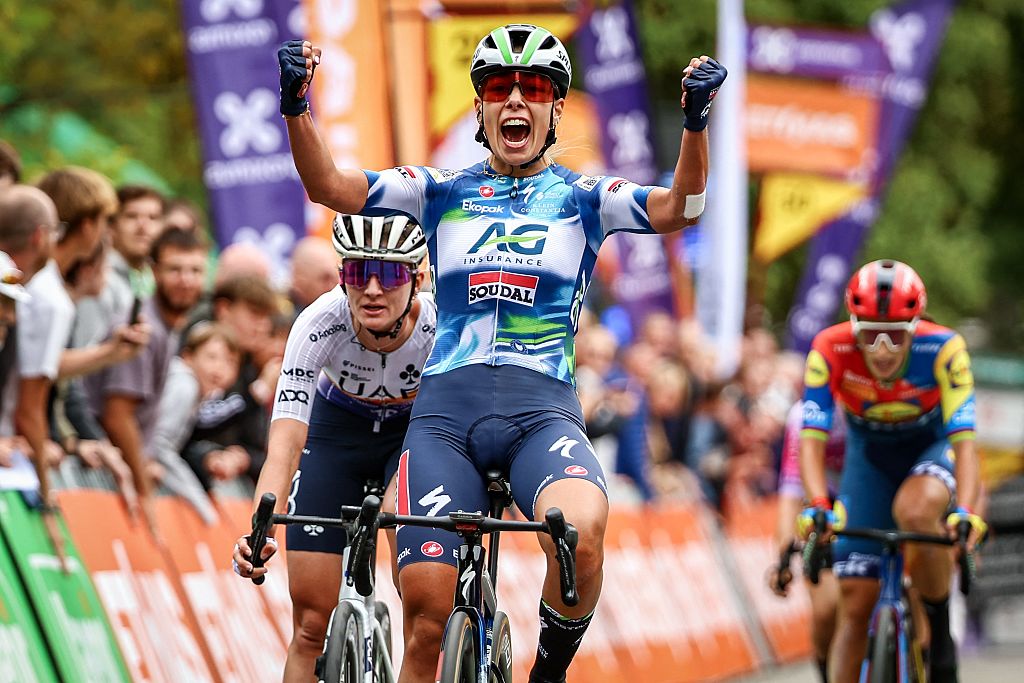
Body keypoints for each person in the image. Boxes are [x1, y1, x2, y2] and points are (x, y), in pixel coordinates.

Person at [271, 24, 726, 683]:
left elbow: (682, 208)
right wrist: (296, 107)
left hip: (540, 414)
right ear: (481, 108)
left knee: (581, 532)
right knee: (426, 615)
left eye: (533, 87)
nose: (516, 99)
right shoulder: (439, 190)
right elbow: (329, 187)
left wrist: (695, 125)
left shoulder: (583, 199)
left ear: (555, 107)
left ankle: (548, 672)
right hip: (444, 422)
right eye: (499, 88)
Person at [232, 214, 436, 683]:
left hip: (412, 433)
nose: (371, 290)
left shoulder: (439, 328)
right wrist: (260, 529)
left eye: (389, 274)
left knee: (422, 606)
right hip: (335, 433)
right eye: (357, 273)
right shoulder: (319, 322)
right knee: (310, 626)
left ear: (418, 278)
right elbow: (285, 443)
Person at [798, 260, 987, 683]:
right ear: (853, 326)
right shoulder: (829, 347)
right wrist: (818, 504)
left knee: (915, 511)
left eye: (896, 335)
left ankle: (939, 632)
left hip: (929, 448)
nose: (882, 349)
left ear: (915, 327)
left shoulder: (944, 348)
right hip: (869, 459)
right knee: (854, 601)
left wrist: (965, 511)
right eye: (870, 335)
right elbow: (810, 440)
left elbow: (965, 444)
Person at [84, 228, 207, 539]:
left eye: (195, 270)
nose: (186, 280)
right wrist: (144, 487)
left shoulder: (166, 328)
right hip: (102, 474)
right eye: (175, 269)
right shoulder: (144, 328)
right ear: (154, 271)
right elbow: (118, 416)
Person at [768, 401, 845, 683]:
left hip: (873, 495)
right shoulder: (803, 415)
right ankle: (826, 673)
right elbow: (790, 490)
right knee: (827, 609)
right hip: (825, 504)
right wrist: (782, 558)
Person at [287, 235, 338, 315]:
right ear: (299, 281)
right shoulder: (281, 317)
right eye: (325, 278)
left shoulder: (347, 311)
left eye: (335, 277)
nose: (332, 285)